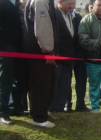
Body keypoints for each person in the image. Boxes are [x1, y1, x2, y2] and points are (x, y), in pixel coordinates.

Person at [25, 0, 57, 128]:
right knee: (40, 84)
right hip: (40, 52)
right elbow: (43, 28)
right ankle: (39, 117)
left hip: (40, 52)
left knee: (46, 83)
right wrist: (48, 50)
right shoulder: (41, 1)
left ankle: (42, 111)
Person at [50, 0, 78, 113]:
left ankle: (59, 110)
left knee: (65, 87)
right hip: (57, 59)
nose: (72, 6)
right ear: (60, 2)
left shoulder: (70, 15)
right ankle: (52, 110)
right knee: (55, 87)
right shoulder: (54, 14)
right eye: (69, 4)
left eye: (73, 3)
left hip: (68, 59)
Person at [0, 0, 22, 125]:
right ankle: (2, 112)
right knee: (4, 81)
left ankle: (16, 108)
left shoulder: (18, 3)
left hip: (18, 49)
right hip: (4, 49)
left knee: (16, 80)